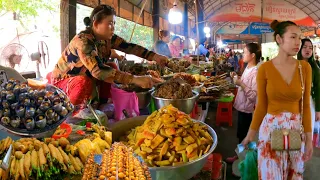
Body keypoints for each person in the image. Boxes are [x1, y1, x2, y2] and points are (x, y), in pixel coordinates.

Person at [50, 5, 167, 109]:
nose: (113, 27)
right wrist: (135, 79)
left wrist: (154, 56)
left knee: (111, 66)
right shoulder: (83, 42)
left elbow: (129, 47)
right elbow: (99, 71)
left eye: (114, 23)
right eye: (110, 23)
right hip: (64, 83)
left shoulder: (107, 39)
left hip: (85, 77)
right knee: (84, 81)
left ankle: (102, 104)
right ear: (95, 24)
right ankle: (71, 115)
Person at [242, 20, 313, 179]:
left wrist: (309, 139)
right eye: (293, 37)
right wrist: (250, 134)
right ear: (279, 39)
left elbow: (306, 106)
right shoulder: (265, 69)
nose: (298, 43)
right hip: (270, 130)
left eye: (299, 38)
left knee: (292, 174)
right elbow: (261, 107)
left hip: (295, 130)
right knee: (271, 175)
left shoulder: (305, 68)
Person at [227, 43, 260, 165]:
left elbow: (254, 96)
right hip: (242, 107)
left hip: (248, 110)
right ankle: (240, 157)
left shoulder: (256, 72)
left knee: (246, 137)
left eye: (245, 52)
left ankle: (244, 161)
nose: (243, 55)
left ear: (252, 55)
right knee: (241, 135)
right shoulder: (248, 68)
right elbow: (244, 84)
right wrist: (237, 78)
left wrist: (241, 84)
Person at [297, 38, 320, 136]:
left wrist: (318, 110)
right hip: (294, 102)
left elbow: (318, 89)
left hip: (309, 102)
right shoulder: (293, 65)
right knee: (295, 132)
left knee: (307, 132)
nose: (308, 50)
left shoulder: (315, 68)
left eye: (310, 48)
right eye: (305, 47)